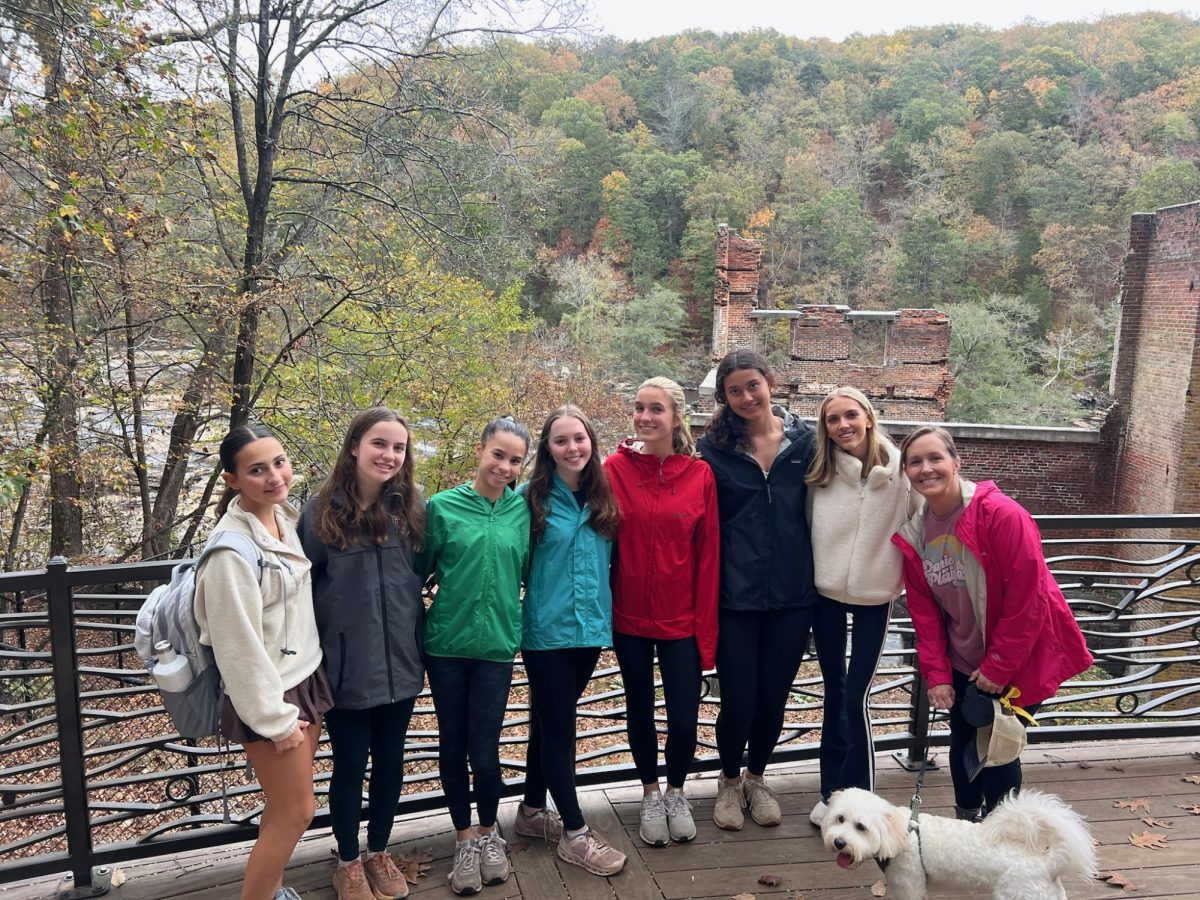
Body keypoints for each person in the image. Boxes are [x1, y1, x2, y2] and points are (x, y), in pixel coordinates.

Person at [892, 425, 1093, 819]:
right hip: (963, 659)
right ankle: (968, 828)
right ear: (906, 472)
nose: (926, 468)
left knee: (998, 749)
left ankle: (1004, 837)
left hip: (1016, 657)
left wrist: (999, 667)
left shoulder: (1000, 515)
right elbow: (925, 614)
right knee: (963, 742)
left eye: (935, 458)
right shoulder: (916, 532)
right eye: (915, 462)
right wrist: (938, 675)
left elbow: (1029, 597)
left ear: (956, 462)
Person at [194, 425, 332, 900]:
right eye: (257, 470)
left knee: (282, 808)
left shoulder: (282, 521)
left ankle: (271, 891)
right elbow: (238, 648)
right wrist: (275, 720)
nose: (275, 476)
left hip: (304, 679)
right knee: (297, 812)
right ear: (232, 479)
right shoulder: (230, 553)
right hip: (272, 696)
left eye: (279, 462)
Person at [299, 408, 425, 900]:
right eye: (379, 444)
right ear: (355, 445)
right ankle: (348, 860)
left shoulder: (412, 509)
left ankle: (378, 850)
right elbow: (300, 592)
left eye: (398, 447)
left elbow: (423, 574)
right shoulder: (318, 514)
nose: (389, 455)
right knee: (350, 764)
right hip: (346, 668)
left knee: (391, 762)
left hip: (402, 665)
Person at [696, 350, 819, 832]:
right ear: (724, 398)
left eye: (753, 385)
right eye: (735, 391)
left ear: (770, 382)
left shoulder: (807, 443)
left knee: (774, 697)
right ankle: (728, 782)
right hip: (736, 597)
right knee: (740, 698)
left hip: (793, 594)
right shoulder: (712, 449)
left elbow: (865, 468)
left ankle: (757, 777)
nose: (747, 397)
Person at [604, 377, 720, 848]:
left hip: (681, 621)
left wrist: (706, 635)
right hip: (628, 616)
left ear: (676, 417)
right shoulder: (613, 469)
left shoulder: (699, 476)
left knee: (685, 716)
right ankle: (649, 793)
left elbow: (709, 559)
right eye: (639, 408)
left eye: (656, 409)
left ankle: (676, 791)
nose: (645, 417)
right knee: (639, 709)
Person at [420, 416, 531, 895]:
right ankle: (463, 839)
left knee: (485, 752)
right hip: (445, 645)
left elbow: (529, 571)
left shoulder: (523, 514)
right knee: (452, 744)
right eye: (498, 455)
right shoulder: (441, 508)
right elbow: (419, 572)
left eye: (514, 461)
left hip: (497, 648)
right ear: (481, 450)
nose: (504, 467)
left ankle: (489, 833)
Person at [516, 405, 627, 876]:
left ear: (590, 441)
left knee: (547, 719)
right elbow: (510, 563)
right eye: (561, 441)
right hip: (547, 634)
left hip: (590, 630)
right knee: (561, 728)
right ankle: (576, 833)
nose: (572, 448)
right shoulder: (529, 499)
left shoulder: (603, 496)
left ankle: (530, 810)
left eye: (578, 438)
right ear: (548, 449)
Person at [805, 386, 909, 827]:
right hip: (825, 595)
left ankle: (861, 798)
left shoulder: (902, 472)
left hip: (875, 595)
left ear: (868, 416)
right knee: (834, 692)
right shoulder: (820, 472)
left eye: (851, 415)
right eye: (833, 419)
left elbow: (936, 509)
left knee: (856, 695)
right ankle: (832, 795)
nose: (843, 425)